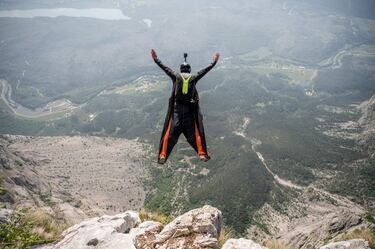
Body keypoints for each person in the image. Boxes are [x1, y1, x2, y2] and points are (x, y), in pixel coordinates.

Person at [151, 49, 220, 164]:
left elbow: (165, 68)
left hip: (177, 112)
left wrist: (156, 59)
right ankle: (202, 154)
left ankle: (163, 155)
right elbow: (205, 71)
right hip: (189, 112)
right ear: (189, 70)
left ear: (181, 69)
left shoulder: (176, 76)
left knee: (168, 134)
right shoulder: (193, 77)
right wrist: (214, 62)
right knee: (196, 134)